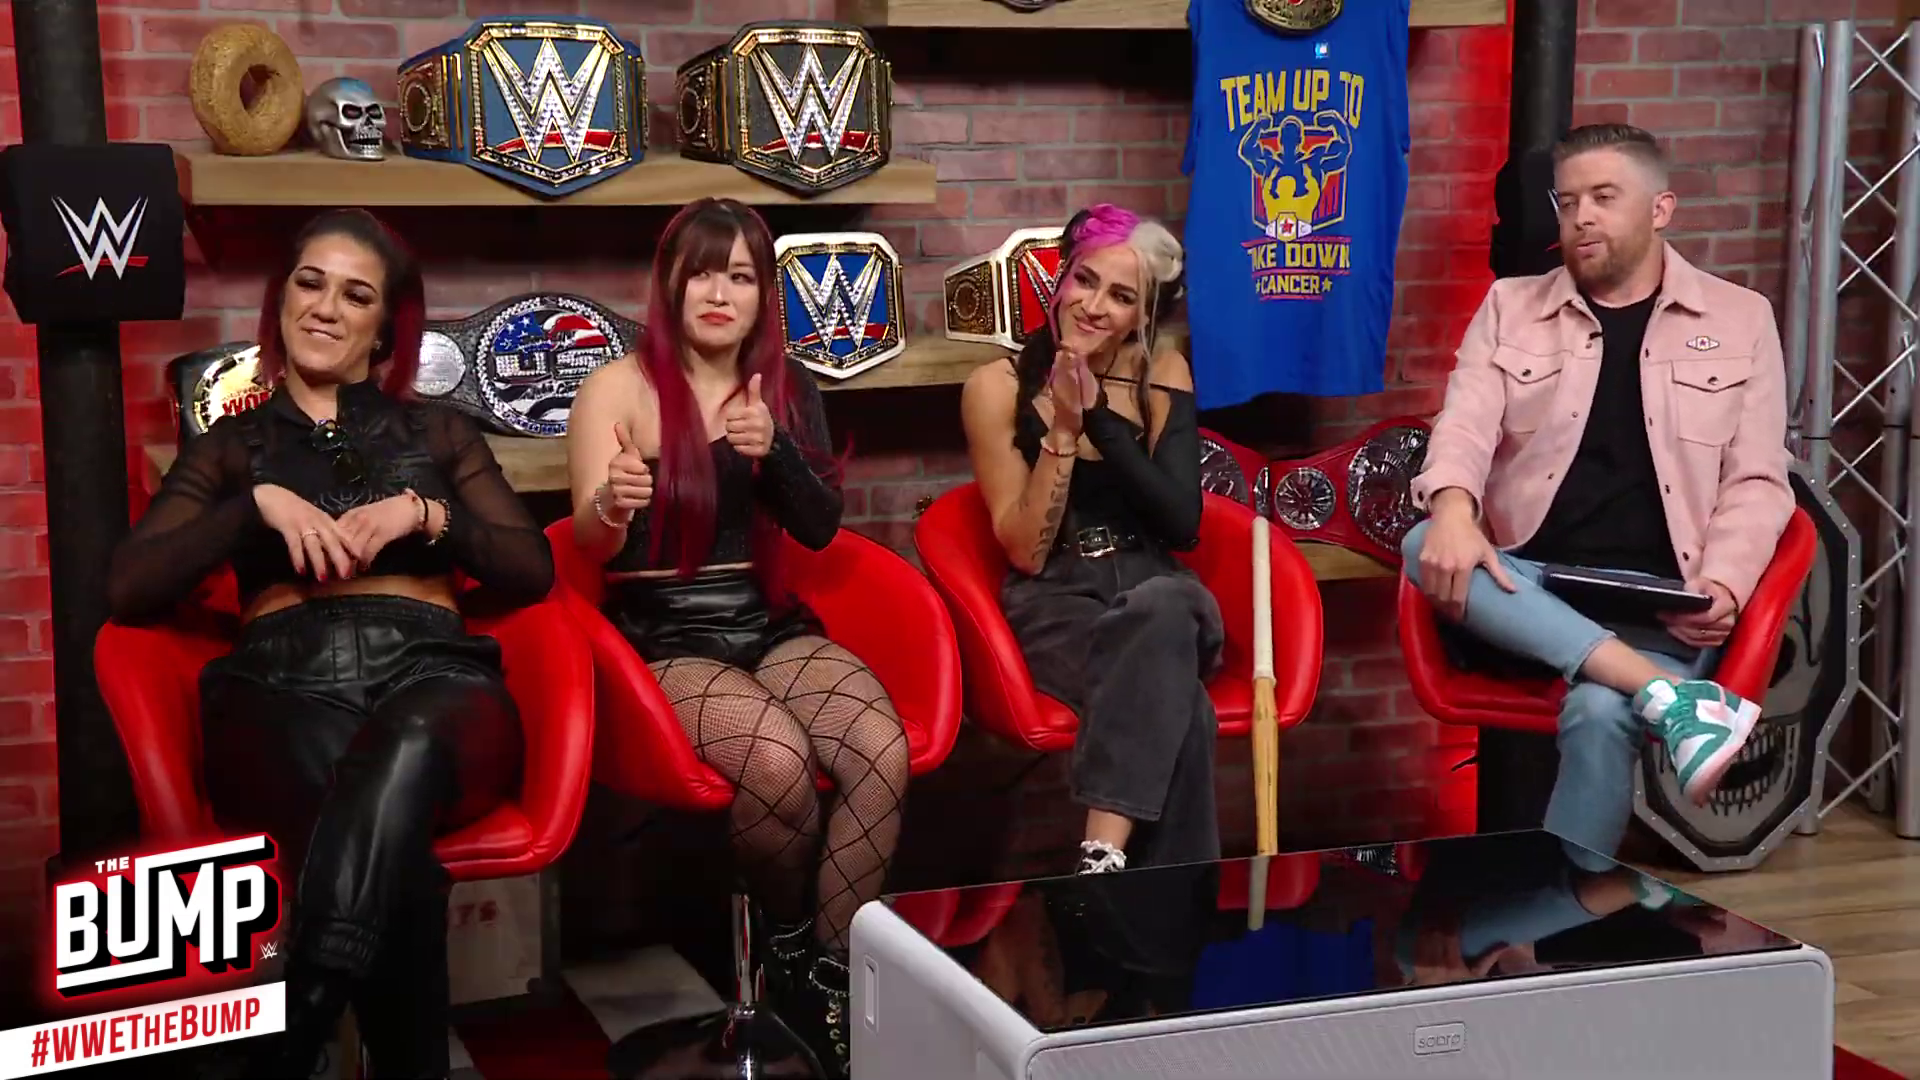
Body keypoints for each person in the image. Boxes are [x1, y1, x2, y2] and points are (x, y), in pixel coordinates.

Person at [106, 208, 552, 1078]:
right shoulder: (232, 446)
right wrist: (253, 508)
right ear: (281, 301)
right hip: (282, 687)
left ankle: (295, 1016)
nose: (325, 308)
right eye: (310, 284)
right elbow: (128, 587)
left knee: (405, 747)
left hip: (434, 678)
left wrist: (428, 515)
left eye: (355, 295)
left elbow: (530, 569)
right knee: (386, 836)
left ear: (384, 327)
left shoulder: (437, 433)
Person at [565, 197, 908, 1078]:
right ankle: (787, 944)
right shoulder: (617, 387)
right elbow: (589, 544)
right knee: (777, 762)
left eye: (743, 277)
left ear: (764, 297)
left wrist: (776, 451)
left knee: (879, 749)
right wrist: (611, 502)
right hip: (662, 636)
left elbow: (820, 528)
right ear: (671, 283)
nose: (720, 294)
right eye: (703, 274)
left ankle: (827, 980)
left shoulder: (785, 390)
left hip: (763, 623)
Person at [1403, 123, 1795, 871]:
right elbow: (1463, 427)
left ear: (1661, 208)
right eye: (1569, 201)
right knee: (1424, 542)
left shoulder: (1740, 319)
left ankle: (1563, 910)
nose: (1581, 217)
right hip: (1529, 591)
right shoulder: (1510, 307)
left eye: (1604, 198)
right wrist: (1453, 508)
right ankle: (1671, 699)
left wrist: (1724, 583)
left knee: (1600, 707)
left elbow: (1757, 479)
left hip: (1658, 602)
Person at [960, 203, 1222, 876]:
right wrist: (1062, 432)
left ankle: (1102, 859)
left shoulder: (1162, 372)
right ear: (1061, 279)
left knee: (1164, 606)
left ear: (1142, 315)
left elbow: (1182, 524)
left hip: (1158, 589)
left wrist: (1099, 417)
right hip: (1058, 602)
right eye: (1085, 280)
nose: (1095, 306)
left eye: (1122, 296)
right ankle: (1162, 903)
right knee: (1183, 705)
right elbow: (1025, 551)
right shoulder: (995, 387)